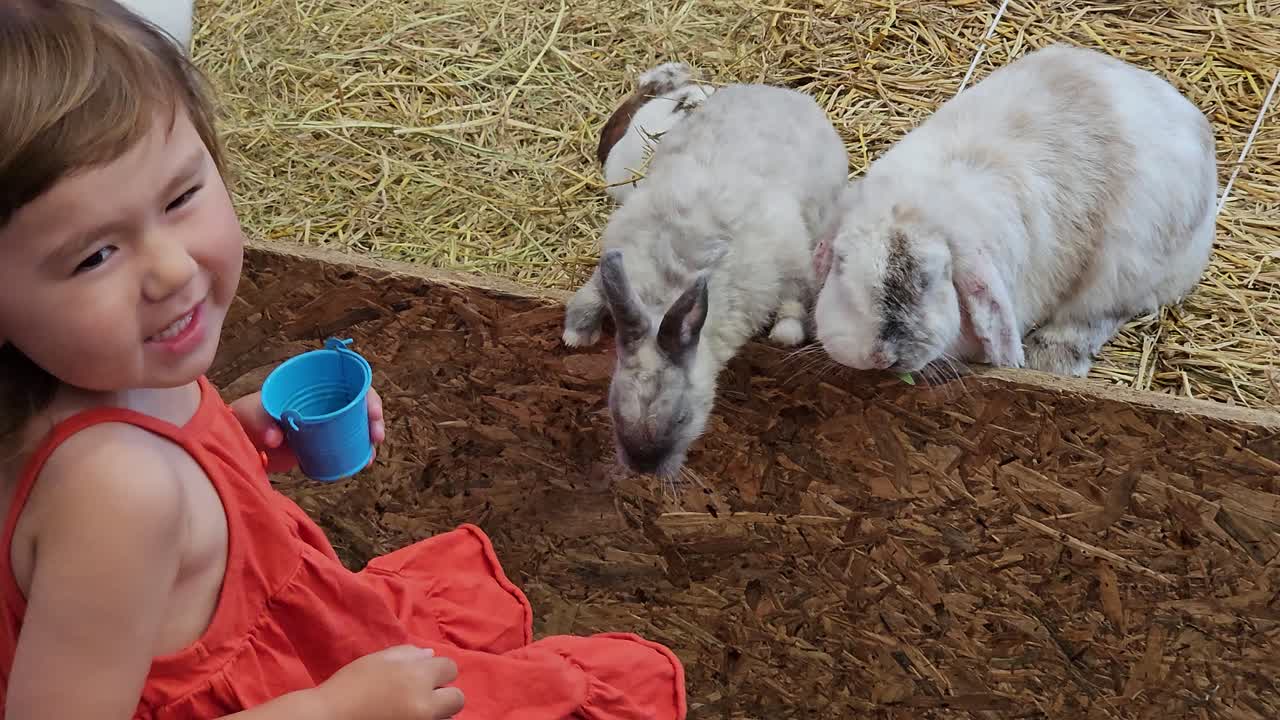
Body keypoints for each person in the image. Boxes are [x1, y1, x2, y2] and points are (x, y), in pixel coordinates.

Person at [0, 2, 687, 719]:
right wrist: (331, 711)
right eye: (95, 255)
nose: (170, 270)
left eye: (180, 196)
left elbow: (153, 517)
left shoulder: (104, 366)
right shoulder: (117, 493)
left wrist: (242, 441)